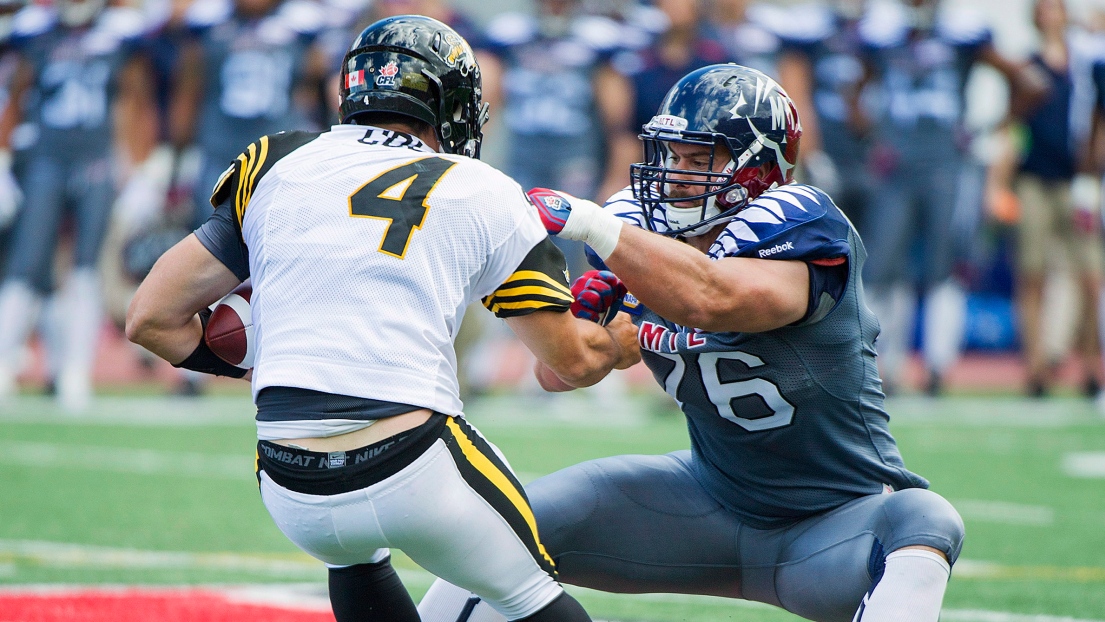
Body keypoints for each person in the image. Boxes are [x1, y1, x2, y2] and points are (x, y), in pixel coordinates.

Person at [126, 15, 639, 622]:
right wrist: (626, 339)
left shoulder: (278, 160)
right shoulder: (483, 188)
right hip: (412, 466)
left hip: (289, 483)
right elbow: (572, 362)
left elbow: (150, 319)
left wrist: (272, 363)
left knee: (352, 557)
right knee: (530, 595)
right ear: (445, 102)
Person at [417, 64, 964, 622]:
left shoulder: (801, 225)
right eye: (673, 156)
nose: (677, 175)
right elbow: (557, 374)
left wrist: (591, 225)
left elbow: (711, 297)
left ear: (759, 166)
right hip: (710, 499)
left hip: (831, 525)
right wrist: (595, 332)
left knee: (923, 519)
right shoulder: (641, 238)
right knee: (508, 523)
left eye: (700, 159)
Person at [857, 0, 1046, 394]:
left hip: (944, 165)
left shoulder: (962, 30)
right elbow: (854, 87)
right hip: (899, 168)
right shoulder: (884, 27)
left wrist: (988, 127)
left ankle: (937, 368)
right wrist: (874, 137)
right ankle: (884, 367)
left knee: (942, 264)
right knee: (885, 265)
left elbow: (1030, 83)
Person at [0, 0, 155, 409]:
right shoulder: (37, 31)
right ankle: (4, 364)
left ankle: (75, 370)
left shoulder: (120, 32)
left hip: (97, 159)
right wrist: (2, 159)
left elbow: (134, 100)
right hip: (46, 159)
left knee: (86, 267)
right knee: (27, 263)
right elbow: (17, 97)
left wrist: (137, 166)